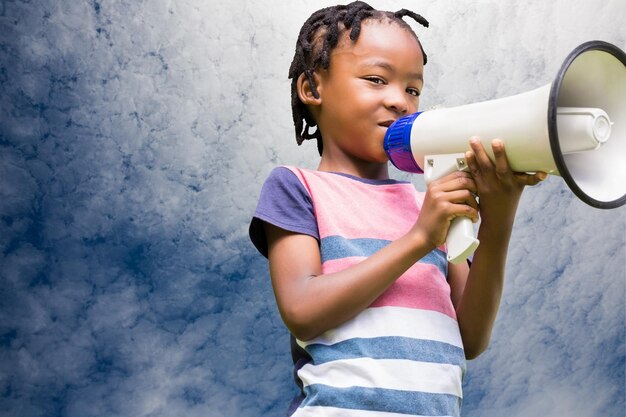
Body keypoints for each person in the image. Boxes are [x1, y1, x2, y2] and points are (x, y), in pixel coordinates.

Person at [249, 2, 545, 416]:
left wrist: (499, 216)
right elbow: (302, 310)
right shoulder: (297, 187)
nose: (400, 102)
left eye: (413, 89)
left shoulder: (430, 202)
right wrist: (420, 237)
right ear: (312, 89)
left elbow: (471, 338)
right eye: (375, 79)